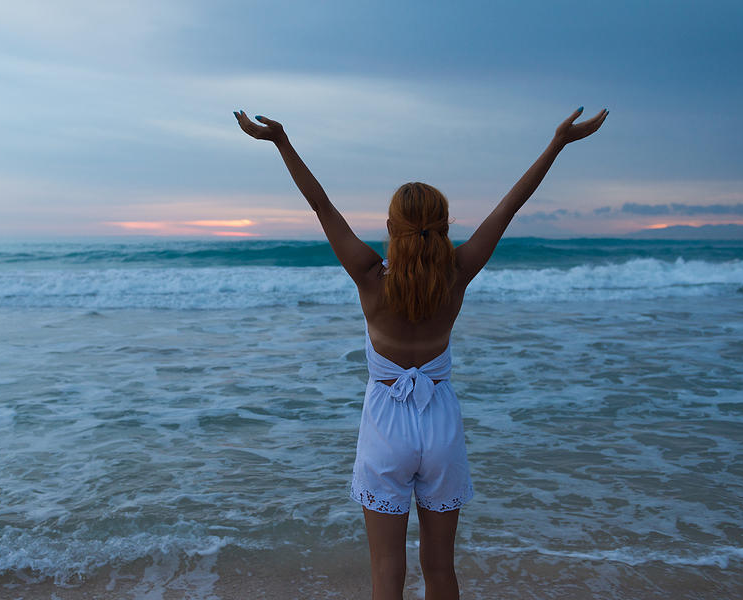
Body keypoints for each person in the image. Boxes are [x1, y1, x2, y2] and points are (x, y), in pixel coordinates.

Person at [234, 106, 608, 600]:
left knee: (387, 572)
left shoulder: (370, 277)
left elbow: (321, 207)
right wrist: (556, 144)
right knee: (440, 570)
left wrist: (282, 141)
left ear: (391, 226)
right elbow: (508, 209)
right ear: (446, 225)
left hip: (386, 426)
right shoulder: (457, 274)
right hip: (440, 424)